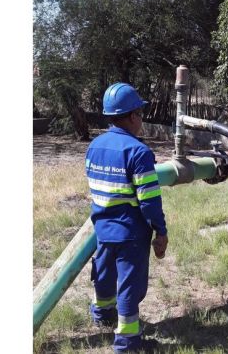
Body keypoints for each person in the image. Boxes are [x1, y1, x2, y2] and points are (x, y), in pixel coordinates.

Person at [85, 82, 168, 353]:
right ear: (132, 116)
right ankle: (127, 341)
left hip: (102, 226)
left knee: (105, 274)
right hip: (130, 232)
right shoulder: (138, 152)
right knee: (130, 287)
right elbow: (149, 200)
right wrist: (160, 230)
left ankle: (102, 315)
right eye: (140, 114)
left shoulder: (94, 146)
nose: (141, 120)